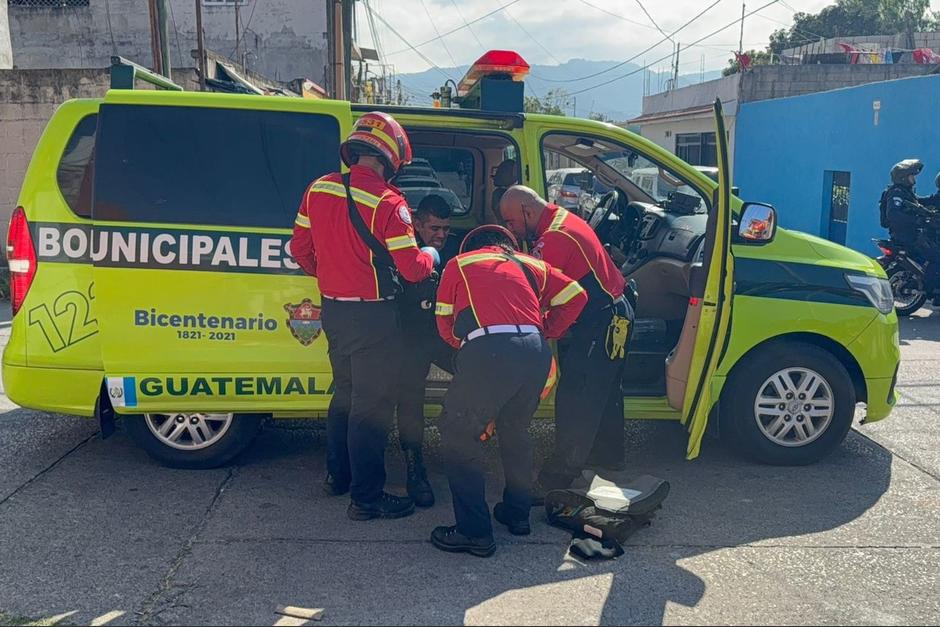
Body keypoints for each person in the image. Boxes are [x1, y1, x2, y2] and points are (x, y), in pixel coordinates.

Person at [290, 111, 436, 521]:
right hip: (374, 320)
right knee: (371, 408)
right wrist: (432, 254)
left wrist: (333, 275)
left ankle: (337, 477)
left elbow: (299, 250)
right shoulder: (390, 203)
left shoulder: (318, 189)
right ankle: (366, 498)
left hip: (333, 312)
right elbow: (411, 269)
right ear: (390, 159)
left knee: (345, 396)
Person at [430, 225, 587, 557]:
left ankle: (474, 533)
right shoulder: (533, 265)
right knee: (515, 430)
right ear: (507, 247)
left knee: (459, 435)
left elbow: (444, 322)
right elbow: (577, 295)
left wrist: (469, 349)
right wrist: (548, 332)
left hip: (490, 349)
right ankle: (517, 515)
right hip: (535, 352)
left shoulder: (459, 263)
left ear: (474, 246)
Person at [498, 185, 635, 495]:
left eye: (511, 222)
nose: (510, 229)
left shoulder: (554, 239)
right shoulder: (562, 218)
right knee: (605, 389)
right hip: (616, 312)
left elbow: (535, 292)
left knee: (578, 396)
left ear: (528, 212)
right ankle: (608, 457)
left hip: (599, 320)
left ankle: (556, 479)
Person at [395, 194, 458, 507]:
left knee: (477, 374)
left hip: (444, 336)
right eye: (434, 228)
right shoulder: (404, 251)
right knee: (410, 398)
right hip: (411, 338)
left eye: (446, 229)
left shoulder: (454, 250)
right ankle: (413, 463)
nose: (441, 235)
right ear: (417, 225)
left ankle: (459, 440)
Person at [881, 159, 940, 289]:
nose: (914, 178)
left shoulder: (905, 193)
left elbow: (920, 202)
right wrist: (918, 220)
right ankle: (932, 289)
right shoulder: (897, 193)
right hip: (908, 236)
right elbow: (893, 214)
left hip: (909, 235)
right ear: (903, 178)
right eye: (911, 176)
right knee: (936, 257)